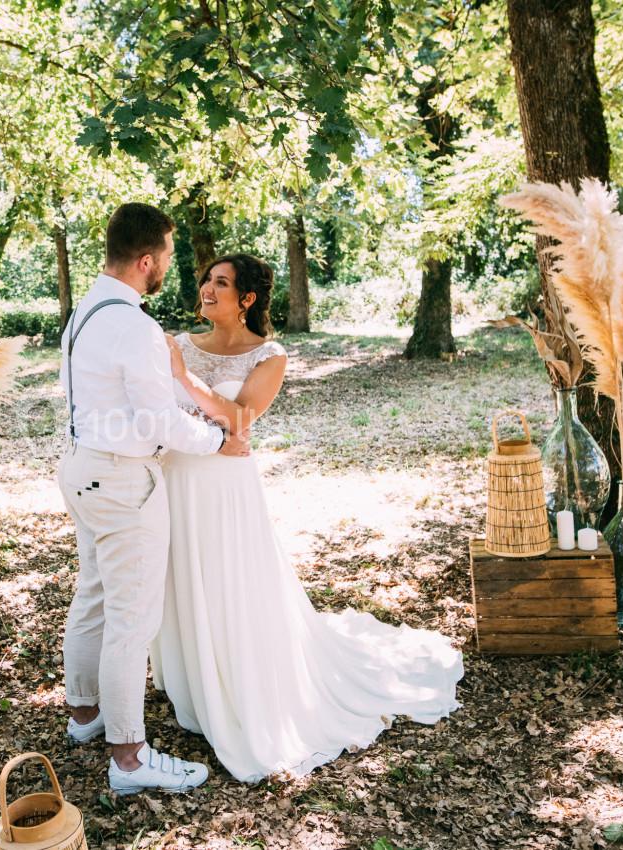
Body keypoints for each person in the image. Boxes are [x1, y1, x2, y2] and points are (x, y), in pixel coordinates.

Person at [151, 253, 466, 782]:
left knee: (229, 583)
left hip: (224, 489)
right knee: (182, 578)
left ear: (247, 299)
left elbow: (241, 418)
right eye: (207, 279)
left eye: (221, 282)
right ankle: (193, 682)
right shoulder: (178, 343)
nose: (207, 288)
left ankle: (239, 684)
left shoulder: (267, 356)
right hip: (174, 478)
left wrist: (183, 378)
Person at [56, 203, 250, 795]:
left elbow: (128, 394)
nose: (169, 266)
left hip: (82, 467)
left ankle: (84, 715)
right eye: (166, 256)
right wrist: (217, 439)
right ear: (146, 260)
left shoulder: (86, 310)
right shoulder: (135, 325)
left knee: (92, 596)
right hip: (122, 481)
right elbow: (158, 422)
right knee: (131, 620)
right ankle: (130, 758)